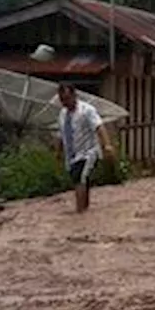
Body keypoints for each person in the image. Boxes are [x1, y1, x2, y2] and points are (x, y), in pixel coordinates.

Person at [55, 83, 114, 214]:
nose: (65, 102)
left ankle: (79, 212)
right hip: (72, 156)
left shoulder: (87, 110)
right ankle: (85, 210)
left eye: (67, 98)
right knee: (81, 180)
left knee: (79, 178)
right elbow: (61, 134)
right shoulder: (63, 114)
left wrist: (107, 145)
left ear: (74, 95)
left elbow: (99, 127)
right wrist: (58, 153)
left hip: (88, 153)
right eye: (62, 100)